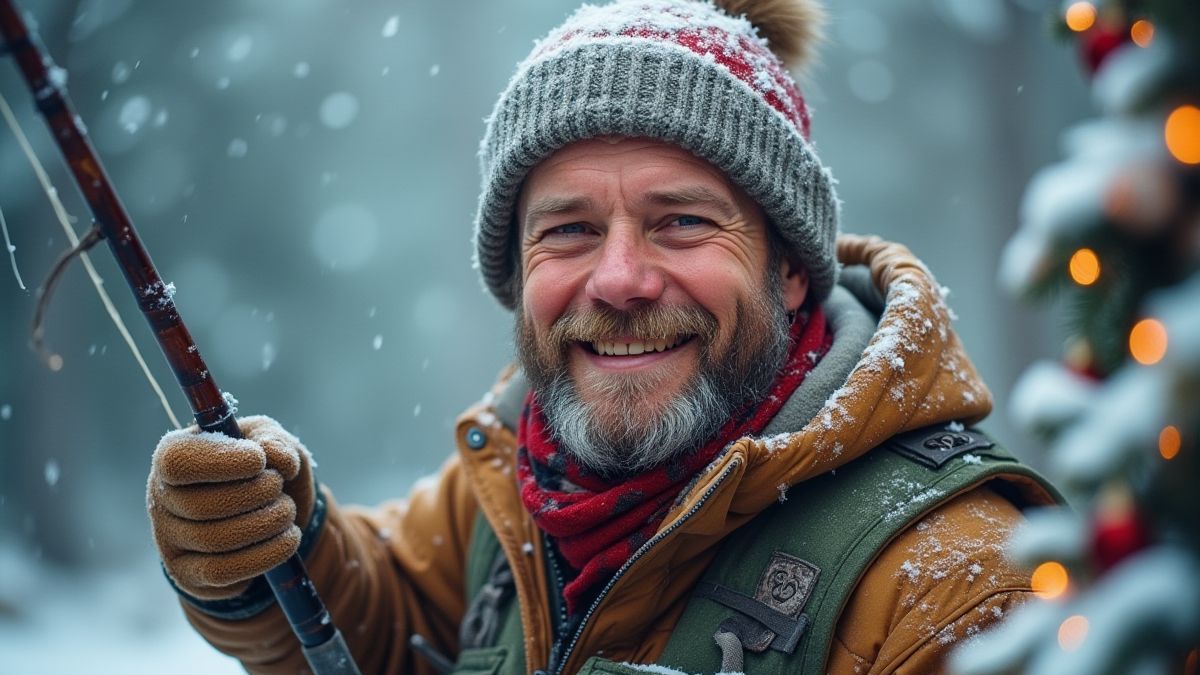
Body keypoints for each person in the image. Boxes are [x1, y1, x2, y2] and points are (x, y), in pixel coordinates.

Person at [145, 1, 1060, 673]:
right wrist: (272, 545)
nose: (618, 279)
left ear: (788, 266)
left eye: (682, 222)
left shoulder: (955, 586)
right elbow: (382, 623)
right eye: (570, 230)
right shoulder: (514, 485)